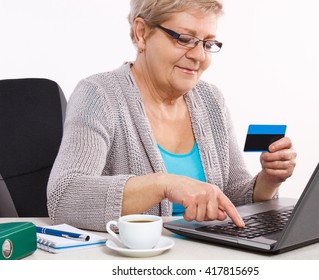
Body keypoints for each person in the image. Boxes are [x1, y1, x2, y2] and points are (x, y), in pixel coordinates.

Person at [47, 0, 297, 232]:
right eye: (185, 39)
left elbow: (232, 197)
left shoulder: (211, 100)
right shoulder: (99, 95)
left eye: (208, 44)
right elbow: (64, 197)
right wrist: (164, 185)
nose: (199, 56)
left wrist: (268, 181)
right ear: (141, 33)